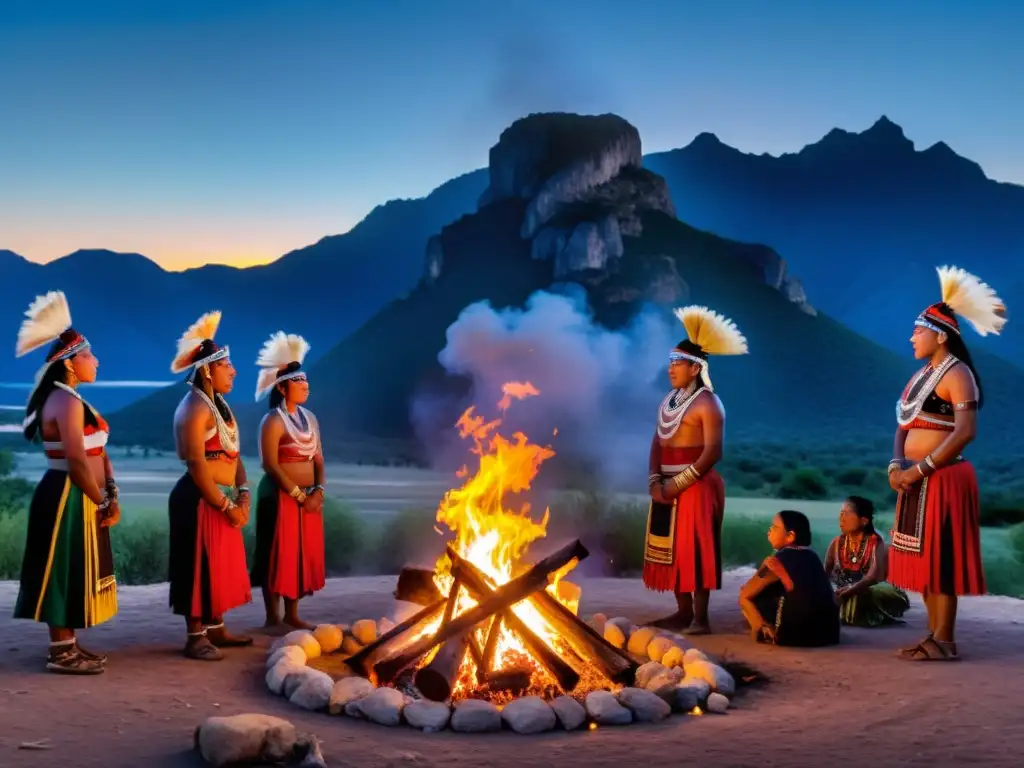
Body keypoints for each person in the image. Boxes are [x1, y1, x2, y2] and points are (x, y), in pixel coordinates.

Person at [888, 266, 1007, 662]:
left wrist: (919, 470)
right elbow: (903, 426)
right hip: (914, 478)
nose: (911, 337)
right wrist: (895, 466)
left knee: (939, 560)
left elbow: (965, 431)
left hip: (943, 477)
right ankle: (934, 636)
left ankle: (946, 640)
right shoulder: (921, 376)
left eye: (917, 331)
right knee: (922, 559)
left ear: (940, 335)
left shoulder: (959, 375)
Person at [12, 291, 120, 674]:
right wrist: (101, 501)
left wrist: (111, 492)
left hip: (79, 494)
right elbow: (76, 459)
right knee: (62, 567)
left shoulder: (74, 400)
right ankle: (61, 651)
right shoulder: (66, 402)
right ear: (72, 363)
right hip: (66, 496)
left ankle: (69, 643)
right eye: (90, 356)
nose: (97, 362)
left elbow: (96, 454)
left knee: (75, 566)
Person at [644, 305, 748, 634]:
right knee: (671, 549)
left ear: (696, 368)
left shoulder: (709, 403)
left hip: (697, 485)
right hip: (666, 486)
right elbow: (657, 443)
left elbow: (712, 452)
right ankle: (682, 612)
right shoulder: (668, 401)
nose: (671, 368)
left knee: (696, 549)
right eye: (671, 362)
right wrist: (655, 481)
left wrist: (678, 484)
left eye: (678, 363)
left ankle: (701, 619)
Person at [168, 311, 253, 661]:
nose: (233, 371)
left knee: (218, 565)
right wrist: (224, 504)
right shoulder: (193, 409)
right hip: (198, 498)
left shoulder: (218, 406)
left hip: (221, 497)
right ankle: (195, 635)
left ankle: (216, 627)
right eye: (226, 365)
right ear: (207, 369)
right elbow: (197, 463)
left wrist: (243, 493)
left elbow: (233, 456)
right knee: (198, 564)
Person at [250, 331, 326, 630]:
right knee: (276, 552)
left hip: (308, 497)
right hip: (280, 496)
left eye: (306, 381)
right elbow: (270, 463)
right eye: (299, 382)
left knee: (299, 555)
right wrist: (298, 494)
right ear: (282, 388)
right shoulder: (272, 421)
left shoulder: (311, 418)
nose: (305, 386)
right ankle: (273, 617)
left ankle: (293, 614)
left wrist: (318, 491)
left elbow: (318, 457)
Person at [738, 511, 840, 647]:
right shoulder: (813, 556)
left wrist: (764, 566)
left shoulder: (777, 561)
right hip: (828, 634)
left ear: (790, 536)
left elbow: (745, 594)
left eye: (774, 528)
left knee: (749, 596)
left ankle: (762, 629)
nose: (769, 531)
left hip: (794, 636)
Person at [824, 495, 910, 627]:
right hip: (846, 590)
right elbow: (825, 575)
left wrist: (851, 589)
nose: (841, 518)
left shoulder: (877, 543)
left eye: (846, 514)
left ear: (863, 521)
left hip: (875, 591)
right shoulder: (836, 543)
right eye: (841, 514)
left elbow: (872, 577)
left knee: (862, 592)